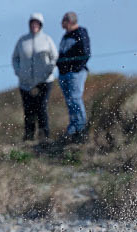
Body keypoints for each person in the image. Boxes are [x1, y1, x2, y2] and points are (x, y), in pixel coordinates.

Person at [12, 13, 58, 141]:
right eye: (32, 23)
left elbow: (55, 57)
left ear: (41, 25)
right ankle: (28, 136)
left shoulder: (47, 40)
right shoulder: (22, 41)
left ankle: (44, 136)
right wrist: (19, 72)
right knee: (28, 110)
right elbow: (15, 58)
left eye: (37, 23)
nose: (34, 25)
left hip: (44, 81)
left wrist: (50, 70)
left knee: (42, 107)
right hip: (25, 82)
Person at [57, 11, 91, 142]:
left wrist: (76, 68)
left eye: (64, 21)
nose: (61, 24)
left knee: (75, 99)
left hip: (75, 73)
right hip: (64, 73)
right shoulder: (65, 36)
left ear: (69, 21)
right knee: (69, 101)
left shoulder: (81, 33)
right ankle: (73, 128)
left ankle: (81, 128)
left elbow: (86, 53)